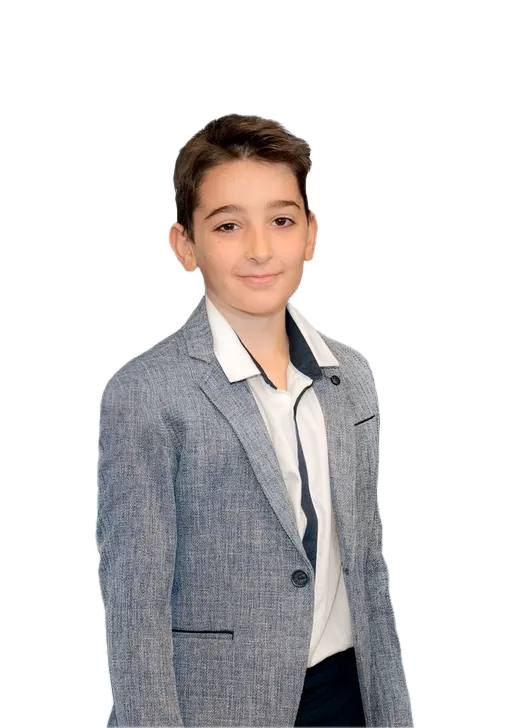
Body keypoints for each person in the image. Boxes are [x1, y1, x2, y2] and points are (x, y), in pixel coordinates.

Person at [96, 112, 415, 727]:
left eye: (281, 220)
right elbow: (135, 600)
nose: (260, 249)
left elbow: (367, 565)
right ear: (185, 245)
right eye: (228, 225)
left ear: (311, 234)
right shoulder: (147, 394)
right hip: (220, 704)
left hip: (347, 692)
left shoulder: (348, 378)